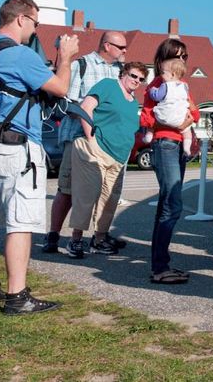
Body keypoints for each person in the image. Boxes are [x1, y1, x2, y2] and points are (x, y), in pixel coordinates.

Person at [0, 0, 79, 314]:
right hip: (17, 145)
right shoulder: (18, 55)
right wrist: (67, 57)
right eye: (36, 22)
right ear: (20, 19)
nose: (36, 29)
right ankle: (17, 296)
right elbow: (60, 87)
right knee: (20, 221)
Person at [43, 31, 127, 255]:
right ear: (107, 46)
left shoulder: (120, 71)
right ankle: (53, 234)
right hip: (79, 137)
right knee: (69, 189)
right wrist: (95, 115)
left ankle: (99, 237)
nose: (124, 52)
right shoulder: (83, 65)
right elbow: (68, 102)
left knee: (103, 191)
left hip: (108, 142)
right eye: (121, 47)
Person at [67, 62, 150, 258]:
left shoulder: (132, 101)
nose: (136, 81)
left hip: (118, 157)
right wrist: (90, 138)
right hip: (96, 150)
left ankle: (99, 239)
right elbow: (86, 107)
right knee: (86, 195)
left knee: (109, 200)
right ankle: (75, 240)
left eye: (140, 79)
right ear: (123, 74)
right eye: (133, 76)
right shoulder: (108, 85)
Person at [141, 38, 201, 284]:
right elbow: (147, 118)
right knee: (172, 203)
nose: (181, 60)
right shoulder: (158, 85)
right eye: (177, 56)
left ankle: (160, 264)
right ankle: (159, 267)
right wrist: (177, 121)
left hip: (178, 143)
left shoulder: (182, 85)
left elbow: (195, 112)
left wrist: (184, 123)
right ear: (163, 60)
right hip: (165, 144)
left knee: (167, 204)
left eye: (184, 57)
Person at [147, 58, 195, 157]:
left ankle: (148, 135)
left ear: (172, 74)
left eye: (163, 72)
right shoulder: (185, 86)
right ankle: (187, 147)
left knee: (152, 117)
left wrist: (152, 90)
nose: (161, 75)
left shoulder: (165, 86)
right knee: (187, 132)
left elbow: (156, 96)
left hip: (165, 117)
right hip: (180, 119)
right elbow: (187, 101)